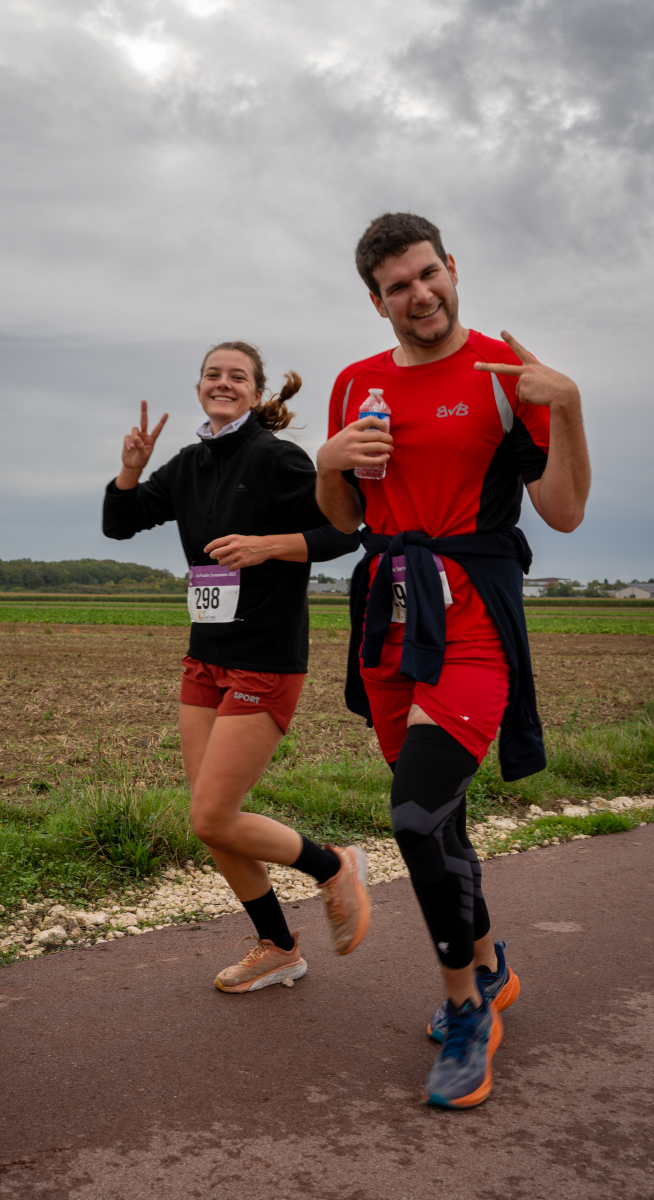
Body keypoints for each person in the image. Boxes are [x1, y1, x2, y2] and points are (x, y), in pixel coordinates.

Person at [316, 213, 590, 1108]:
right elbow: (346, 520)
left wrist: (567, 406)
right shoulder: (355, 382)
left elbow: (565, 511)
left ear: (452, 268)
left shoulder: (508, 376)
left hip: (474, 623)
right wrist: (327, 461)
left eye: (427, 273)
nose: (419, 294)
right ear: (377, 301)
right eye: (397, 286)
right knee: (444, 824)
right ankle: (490, 964)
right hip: (390, 623)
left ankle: (467, 1008)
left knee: (412, 817)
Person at [103, 340, 370, 992]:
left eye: (237, 376)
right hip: (206, 657)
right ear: (200, 387)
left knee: (212, 816)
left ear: (255, 391)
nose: (223, 383)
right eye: (212, 374)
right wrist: (131, 471)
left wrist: (267, 546)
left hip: (264, 659)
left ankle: (333, 866)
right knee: (213, 823)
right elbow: (120, 524)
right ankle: (278, 947)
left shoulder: (276, 458)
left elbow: (345, 531)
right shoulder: (190, 463)